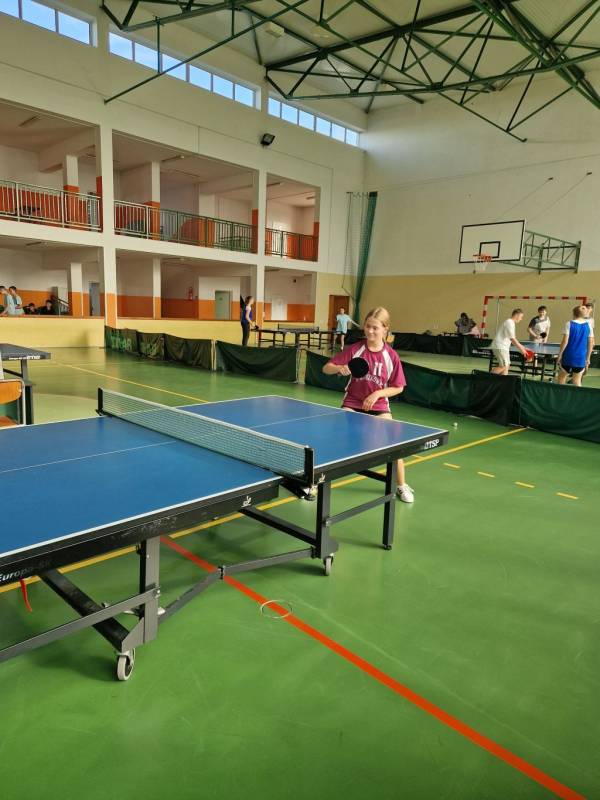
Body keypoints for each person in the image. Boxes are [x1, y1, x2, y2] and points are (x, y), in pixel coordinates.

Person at [322, 306, 414, 503]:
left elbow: (398, 387)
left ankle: (401, 485)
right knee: (334, 440)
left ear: (385, 329)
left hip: (379, 407)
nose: (370, 331)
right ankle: (315, 482)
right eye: (367, 326)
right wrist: (340, 368)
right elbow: (326, 368)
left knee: (394, 444)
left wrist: (378, 393)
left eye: (375, 328)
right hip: (352, 403)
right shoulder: (356, 349)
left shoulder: (391, 356)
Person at [557, 305, 594, 387]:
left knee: (561, 378)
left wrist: (559, 355)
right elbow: (591, 343)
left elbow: (565, 341)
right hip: (580, 357)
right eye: (584, 308)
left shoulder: (569, 324)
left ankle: (560, 394)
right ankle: (579, 396)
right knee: (577, 381)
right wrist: (588, 358)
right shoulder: (589, 326)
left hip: (568, 355)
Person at [491, 308, 528, 375]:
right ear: (516, 315)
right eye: (521, 317)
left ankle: (504, 381)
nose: (521, 319)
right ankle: (485, 378)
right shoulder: (509, 322)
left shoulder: (511, 323)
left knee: (506, 366)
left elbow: (513, 338)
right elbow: (512, 339)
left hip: (503, 347)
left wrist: (523, 347)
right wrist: (521, 349)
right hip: (500, 346)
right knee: (504, 366)